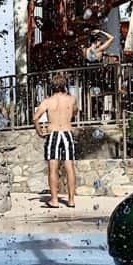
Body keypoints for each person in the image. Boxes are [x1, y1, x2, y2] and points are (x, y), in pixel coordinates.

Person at [33, 72, 78, 208]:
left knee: (53, 168)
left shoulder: (48, 101)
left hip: (53, 135)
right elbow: (75, 112)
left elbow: (35, 118)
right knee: (69, 167)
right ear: (64, 85)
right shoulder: (72, 99)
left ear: (52, 86)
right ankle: (71, 200)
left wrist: (40, 132)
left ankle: (54, 200)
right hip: (67, 133)